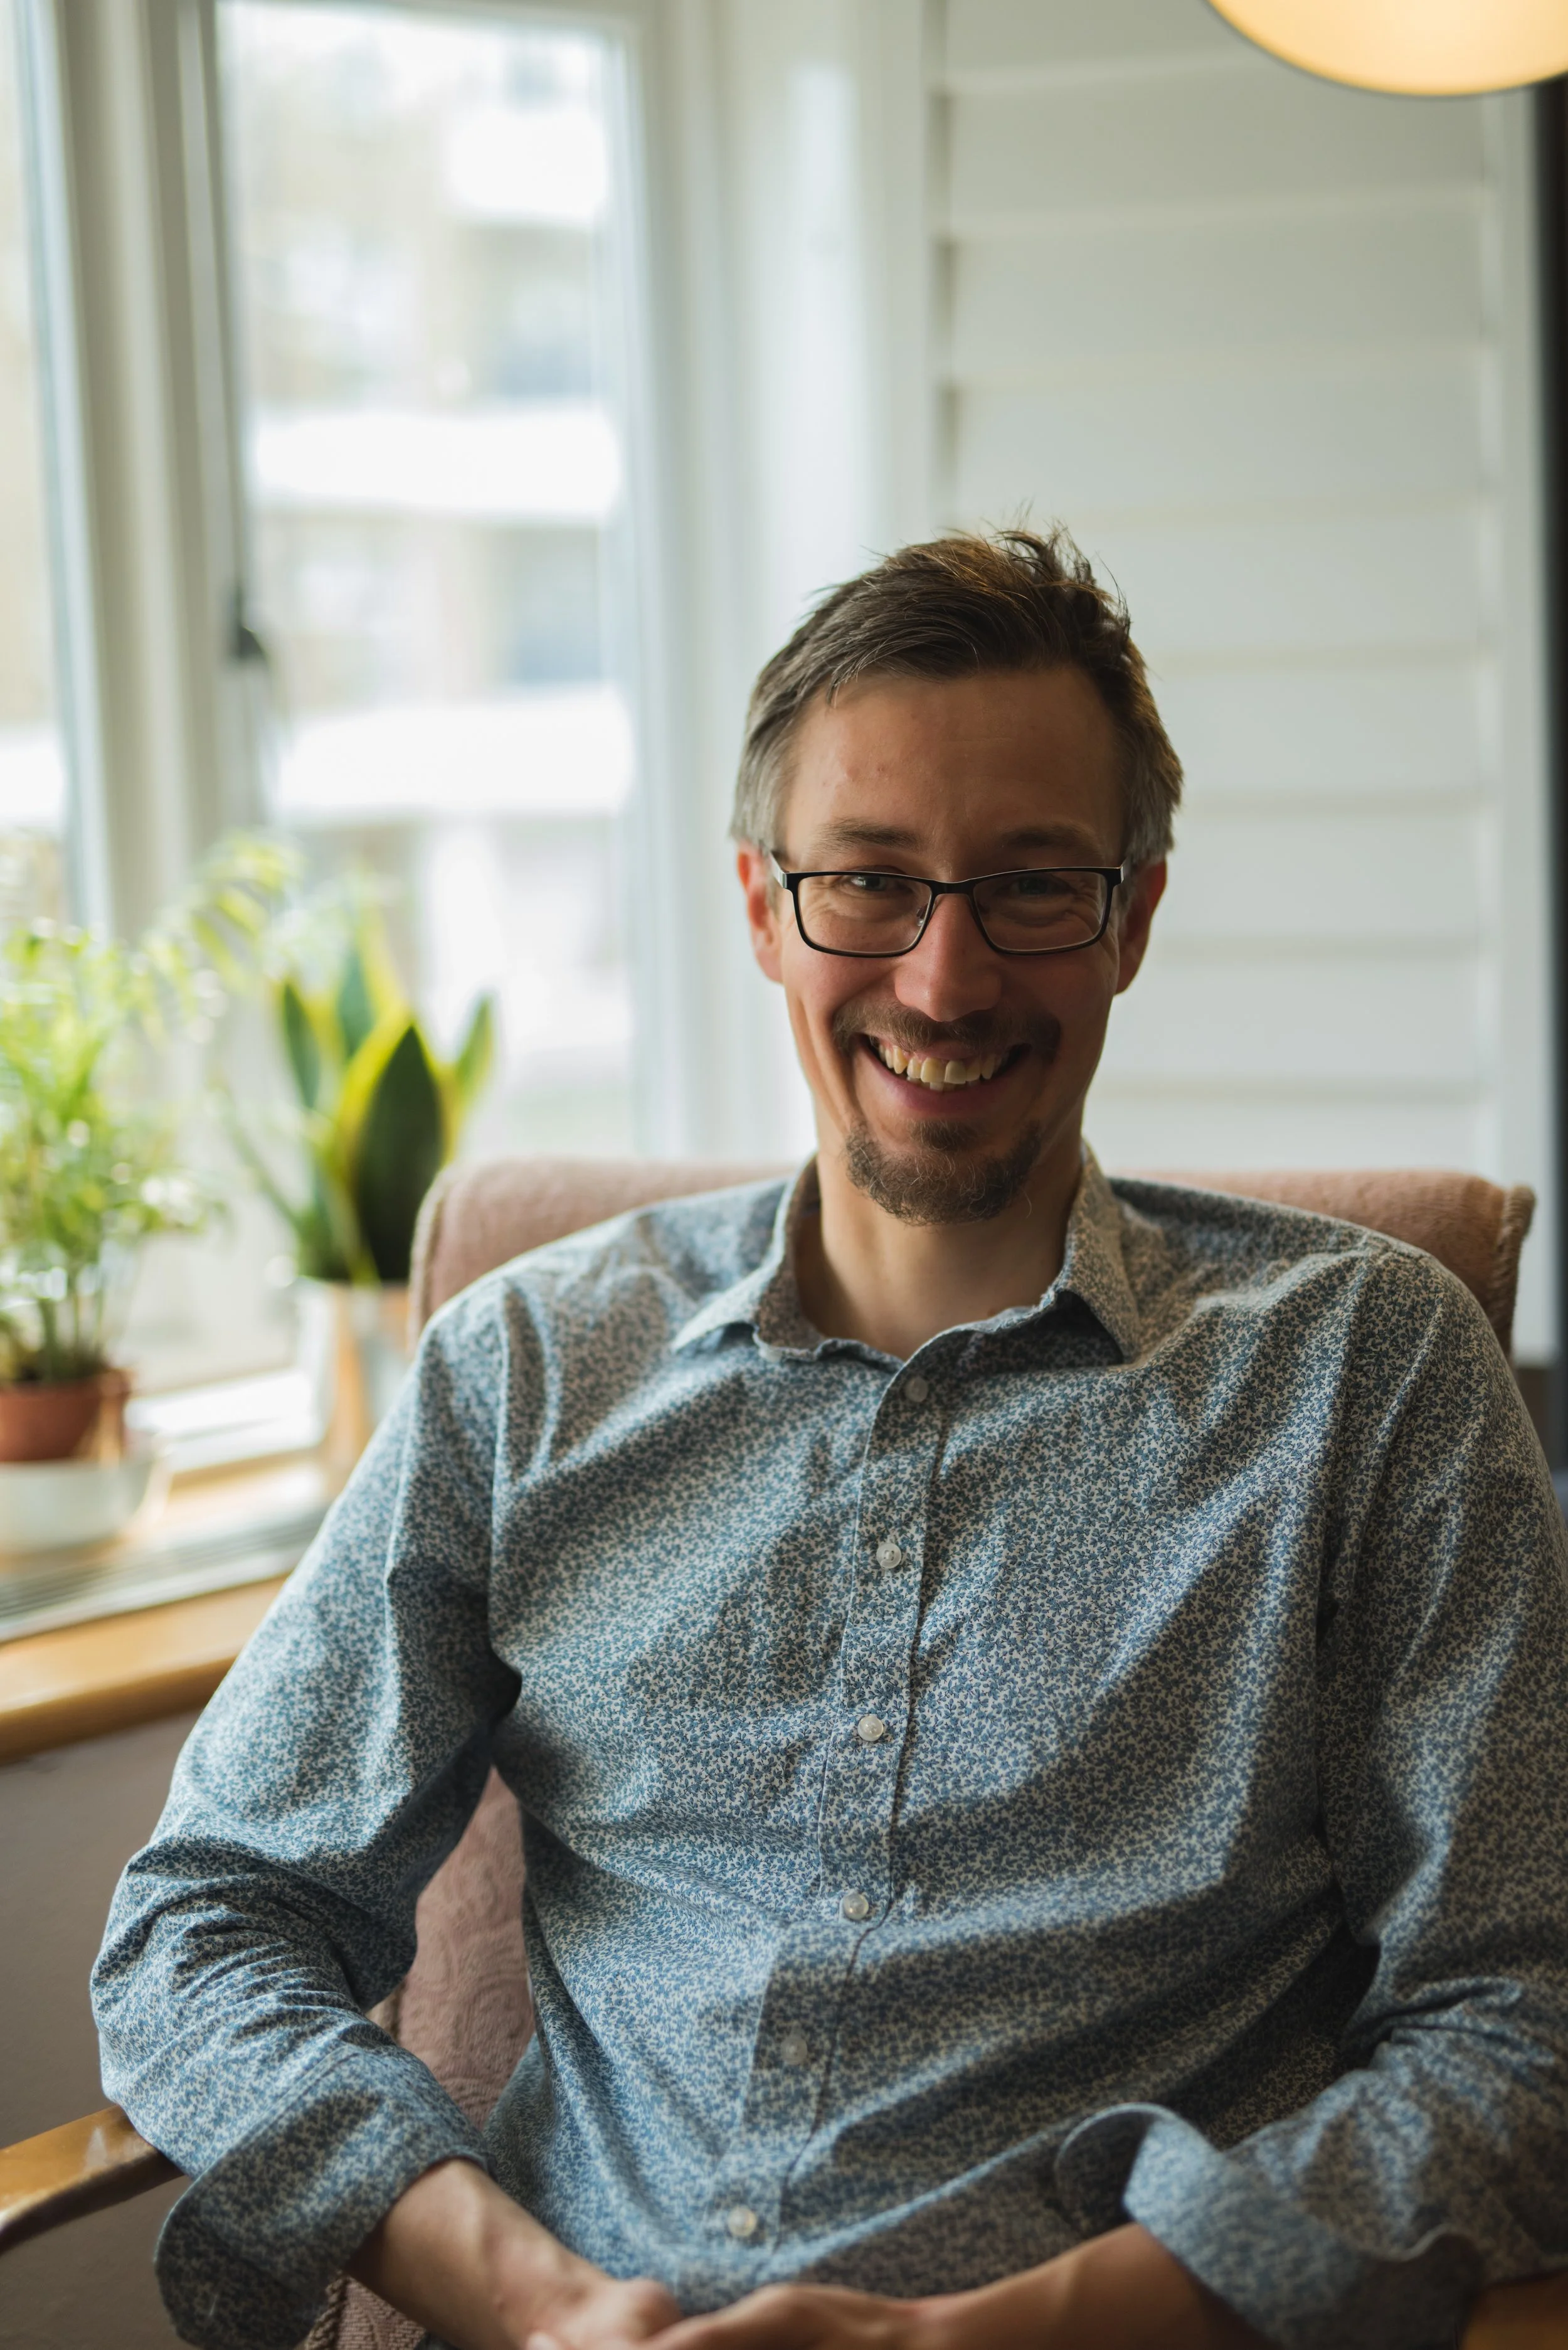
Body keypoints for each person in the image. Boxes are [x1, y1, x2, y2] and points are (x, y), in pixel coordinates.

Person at [94, 529, 1568, 2350]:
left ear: (1134, 915)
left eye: (1032, 885)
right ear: (757, 902)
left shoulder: (1364, 1373)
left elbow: (1529, 2025)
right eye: (867, 884)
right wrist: (534, 2303)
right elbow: (206, 1924)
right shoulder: (529, 1371)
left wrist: (978, 2340)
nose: (943, 984)